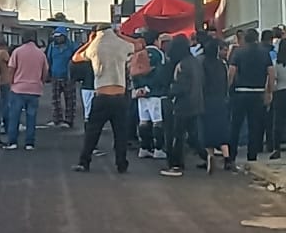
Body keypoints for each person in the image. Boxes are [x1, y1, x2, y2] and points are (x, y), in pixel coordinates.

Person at [72, 25, 138, 173]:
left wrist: (90, 41)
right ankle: (121, 164)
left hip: (101, 95)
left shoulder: (94, 46)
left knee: (92, 132)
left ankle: (84, 162)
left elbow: (76, 57)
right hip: (120, 96)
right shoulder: (121, 44)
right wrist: (120, 35)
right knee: (120, 133)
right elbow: (139, 45)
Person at [160, 35, 204, 178]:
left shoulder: (182, 64)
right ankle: (205, 155)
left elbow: (181, 87)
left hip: (182, 104)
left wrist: (169, 92)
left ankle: (175, 165)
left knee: (176, 135)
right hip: (195, 102)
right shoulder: (195, 62)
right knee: (192, 135)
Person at [228, 29, 273, 164]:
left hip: (240, 92)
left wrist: (228, 87)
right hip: (258, 92)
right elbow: (271, 72)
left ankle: (231, 155)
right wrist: (269, 91)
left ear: (244, 39)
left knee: (236, 125)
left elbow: (231, 72)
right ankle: (252, 155)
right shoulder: (264, 53)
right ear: (257, 38)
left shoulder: (238, 52)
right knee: (255, 125)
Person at [5, 30, 49, 150]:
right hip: (34, 89)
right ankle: (29, 143)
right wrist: (40, 82)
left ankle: (12, 142)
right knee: (31, 117)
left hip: (18, 89)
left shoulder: (17, 52)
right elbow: (45, 72)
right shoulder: (40, 54)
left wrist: (11, 83)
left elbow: (11, 69)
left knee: (14, 116)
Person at [131, 30, 167, 161]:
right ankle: (158, 149)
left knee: (143, 121)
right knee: (157, 121)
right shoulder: (159, 54)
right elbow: (161, 73)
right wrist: (149, 88)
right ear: (156, 40)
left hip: (140, 93)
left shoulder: (140, 53)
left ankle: (144, 148)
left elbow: (133, 71)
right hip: (155, 92)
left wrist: (138, 88)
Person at [200, 38, 231, 173]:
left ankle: (210, 155)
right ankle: (227, 157)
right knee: (222, 129)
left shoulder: (203, 65)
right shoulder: (222, 65)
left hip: (207, 100)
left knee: (208, 130)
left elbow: (202, 83)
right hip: (221, 99)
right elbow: (226, 81)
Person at [46, 27, 78, 128]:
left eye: (59, 36)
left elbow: (77, 60)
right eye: (55, 36)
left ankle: (69, 121)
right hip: (55, 76)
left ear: (64, 36)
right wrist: (48, 73)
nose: (57, 38)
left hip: (68, 77)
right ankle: (57, 120)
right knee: (55, 100)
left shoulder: (72, 46)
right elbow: (48, 60)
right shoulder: (52, 46)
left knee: (70, 100)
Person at [0, 40, 13, 138]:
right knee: (6, 104)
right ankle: (6, 125)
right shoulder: (3, 53)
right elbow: (10, 64)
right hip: (5, 81)